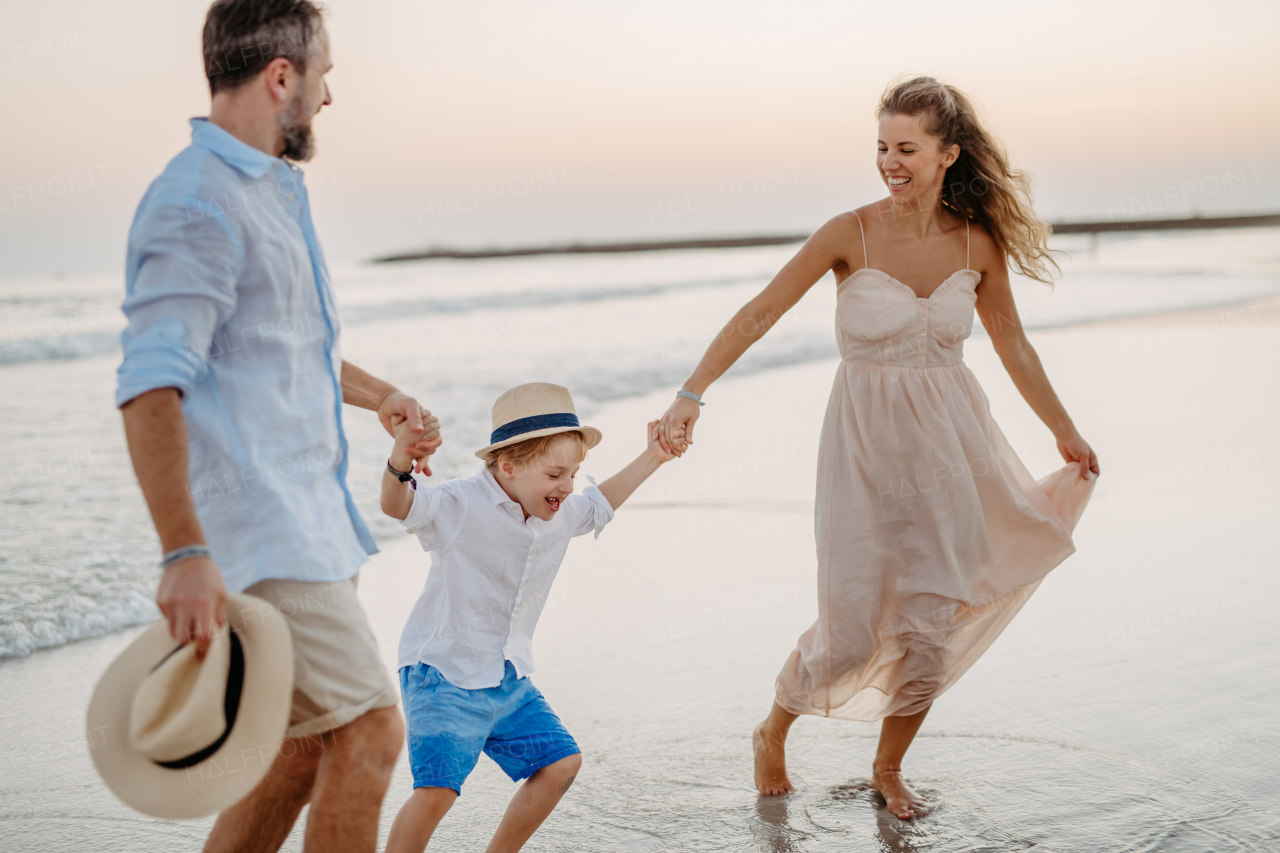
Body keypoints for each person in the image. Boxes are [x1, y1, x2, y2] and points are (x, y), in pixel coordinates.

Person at [657, 76, 1099, 819]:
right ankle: (774, 726)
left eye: (906, 149)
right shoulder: (848, 232)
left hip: (953, 450)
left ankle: (888, 767)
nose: (890, 162)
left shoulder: (975, 241)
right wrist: (690, 392)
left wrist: (1063, 427)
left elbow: (1013, 345)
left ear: (948, 154)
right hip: (864, 451)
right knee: (853, 619)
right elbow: (760, 311)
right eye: (882, 148)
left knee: (933, 617)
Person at [115, 1, 437, 850]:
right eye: (323, 75)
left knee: (299, 750)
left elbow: (278, 347)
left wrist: (381, 396)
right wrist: (183, 552)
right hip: (264, 534)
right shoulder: (197, 202)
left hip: (309, 522)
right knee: (370, 732)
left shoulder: (266, 191)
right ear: (281, 76)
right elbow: (151, 384)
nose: (329, 97)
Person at [380, 383, 676, 853]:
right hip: (443, 672)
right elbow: (398, 506)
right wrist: (400, 462)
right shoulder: (458, 505)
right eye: (556, 474)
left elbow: (600, 503)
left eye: (574, 474)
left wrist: (653, 457)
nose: (567, 487)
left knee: (561, 762)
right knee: (437, 790)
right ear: (508, 465)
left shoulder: (556, 513)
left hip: (504, 675)